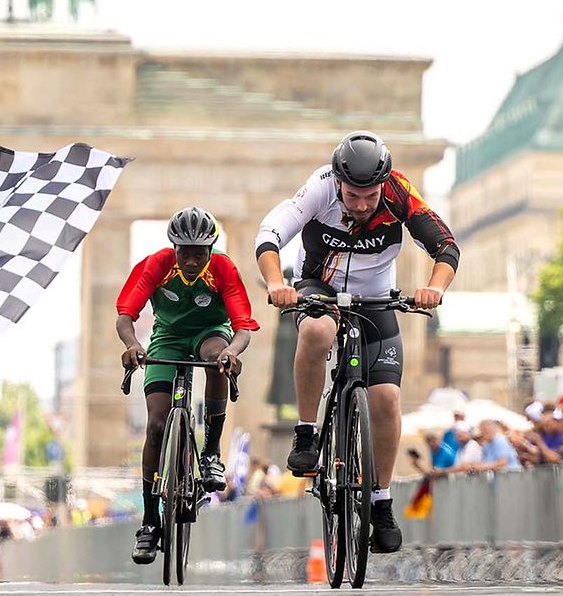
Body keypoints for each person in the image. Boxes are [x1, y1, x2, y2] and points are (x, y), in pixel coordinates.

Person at [255, 131, 459, 553]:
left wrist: (434, 289)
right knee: (315, 330)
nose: (362, 204)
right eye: (353, 196)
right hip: (318, 286)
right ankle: (307, 433)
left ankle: (381, 501)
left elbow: (445, 245)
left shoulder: (399, 192)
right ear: (338, 183)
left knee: (386, 399)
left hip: (377, 297)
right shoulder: (320, 187)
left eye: (370, 196)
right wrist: (276, 282)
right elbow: (271, 232)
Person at [116, 206, 258, 564]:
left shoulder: (223, 269)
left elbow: (242, 325)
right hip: (167, 337)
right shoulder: (157, 265)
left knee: (216, 360)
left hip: (210, 335)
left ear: (211, 250)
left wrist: (232, 352)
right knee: (156, 426)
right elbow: (125, 316)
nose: (192, 261)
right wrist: (133, 345)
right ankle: (150, 522)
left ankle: (210, 452)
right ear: (174, 248)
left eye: (200, 254)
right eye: (185, 253)